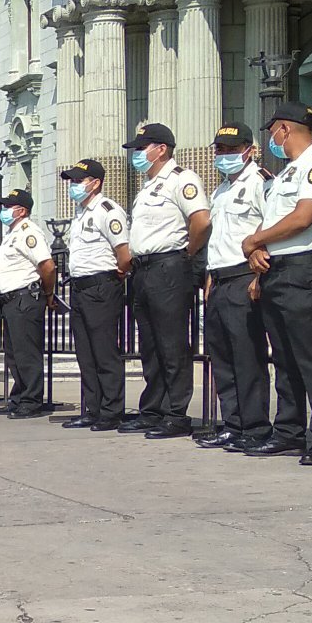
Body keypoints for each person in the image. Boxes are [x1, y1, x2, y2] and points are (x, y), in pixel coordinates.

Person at [239, 102, 312, 464]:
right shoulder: (285, 175)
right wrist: (256, 255)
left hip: (303, 266)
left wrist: (255, 241)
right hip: (275, 268)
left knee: (310, 357)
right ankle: (289, 430)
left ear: (285, 129)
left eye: (274, 132)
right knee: (283, 357)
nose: (273, 139)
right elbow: (273, 219)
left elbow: (302, 218)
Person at [120, 122, 210, 437]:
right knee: (150, 345)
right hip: (144, 270)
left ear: (161, 149)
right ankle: (152, 409)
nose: (137, 155)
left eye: (141, 148)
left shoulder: (181, 179)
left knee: (172, 344)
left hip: (170, 266)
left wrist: (189, 252)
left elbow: (200, 220)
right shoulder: (147, 186)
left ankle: (176, 413)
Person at [199, 125, 271, 451]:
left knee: (247, 357)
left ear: (249, 150)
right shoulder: (221, 190)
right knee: (223, 358)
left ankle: (255, 427)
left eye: (231, 149)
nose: (224, 156)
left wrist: (260, 276)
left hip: (245, 276)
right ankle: (232, 423)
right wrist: (210, 277)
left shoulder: (261, 183)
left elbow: (268, 230)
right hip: (220, 278)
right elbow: (218, 238)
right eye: (220, 150)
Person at [59, 159, 130, 431]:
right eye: (72, 181)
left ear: (95, 183)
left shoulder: (107, 210)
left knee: (104, 352)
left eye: (79, 181)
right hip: (80, 287)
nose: (74, 186)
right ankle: (93, 409)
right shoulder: (80, 213)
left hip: (101, 286)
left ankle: (111, 411)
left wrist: (114, 279)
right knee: (85, 354)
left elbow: (123, 255)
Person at [0, 189, 54, 417]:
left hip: (25, 297)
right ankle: (19, 395)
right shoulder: (12, 234)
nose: (3, 211)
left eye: (8, 206)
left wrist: (49, 293)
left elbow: (47, 265)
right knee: (14, 353)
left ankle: (32, 399)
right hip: (10, 300)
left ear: (21, 210)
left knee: (27, 352)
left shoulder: (28, 232)